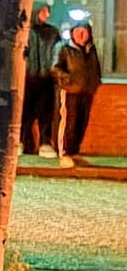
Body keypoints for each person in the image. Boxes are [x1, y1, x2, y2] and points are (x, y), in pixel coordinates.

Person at [53, 22, 101, 165]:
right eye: (78, 31)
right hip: (70, 91)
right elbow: (55, 68)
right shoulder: (65, 48)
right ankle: (64, 153)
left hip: (86, 92)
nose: (81, 35)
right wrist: (68, 80)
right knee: (69, 122)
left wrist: (95, 82)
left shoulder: (91, 50)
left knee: (81, 123)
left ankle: (74, 152)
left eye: (84, 32)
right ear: (72, 33)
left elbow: (95, 68)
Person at [21, 4, 62, 157]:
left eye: (48, 12)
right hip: (29, 78)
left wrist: (54, 70)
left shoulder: (52, 32)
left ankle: (45, 143)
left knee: (46, 113)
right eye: (44, 11)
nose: (47, 15)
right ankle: (23, 142)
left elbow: (58, 52)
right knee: (26, 113)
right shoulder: (26, 31)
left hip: (46, 79)